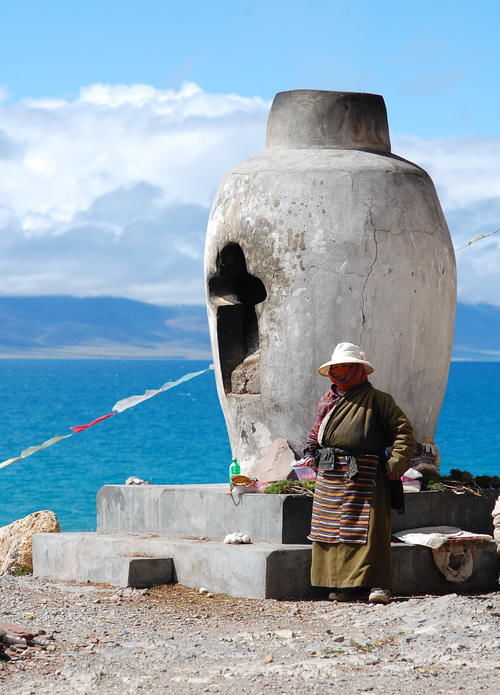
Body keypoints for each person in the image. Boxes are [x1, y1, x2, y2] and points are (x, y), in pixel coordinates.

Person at [303, 342, 415, 604]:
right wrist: (313, 457)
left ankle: (378, 586)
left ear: (358, 370)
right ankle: (342, 585)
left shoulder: (378, 400)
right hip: (331, 474)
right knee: (331, 531)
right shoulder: (328, 401)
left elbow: (403, 432)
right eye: (335, 368)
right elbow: (316, 434)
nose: (339, 372)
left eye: (344, 367)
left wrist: (395, 464)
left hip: (365, 476)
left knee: (369, 531)